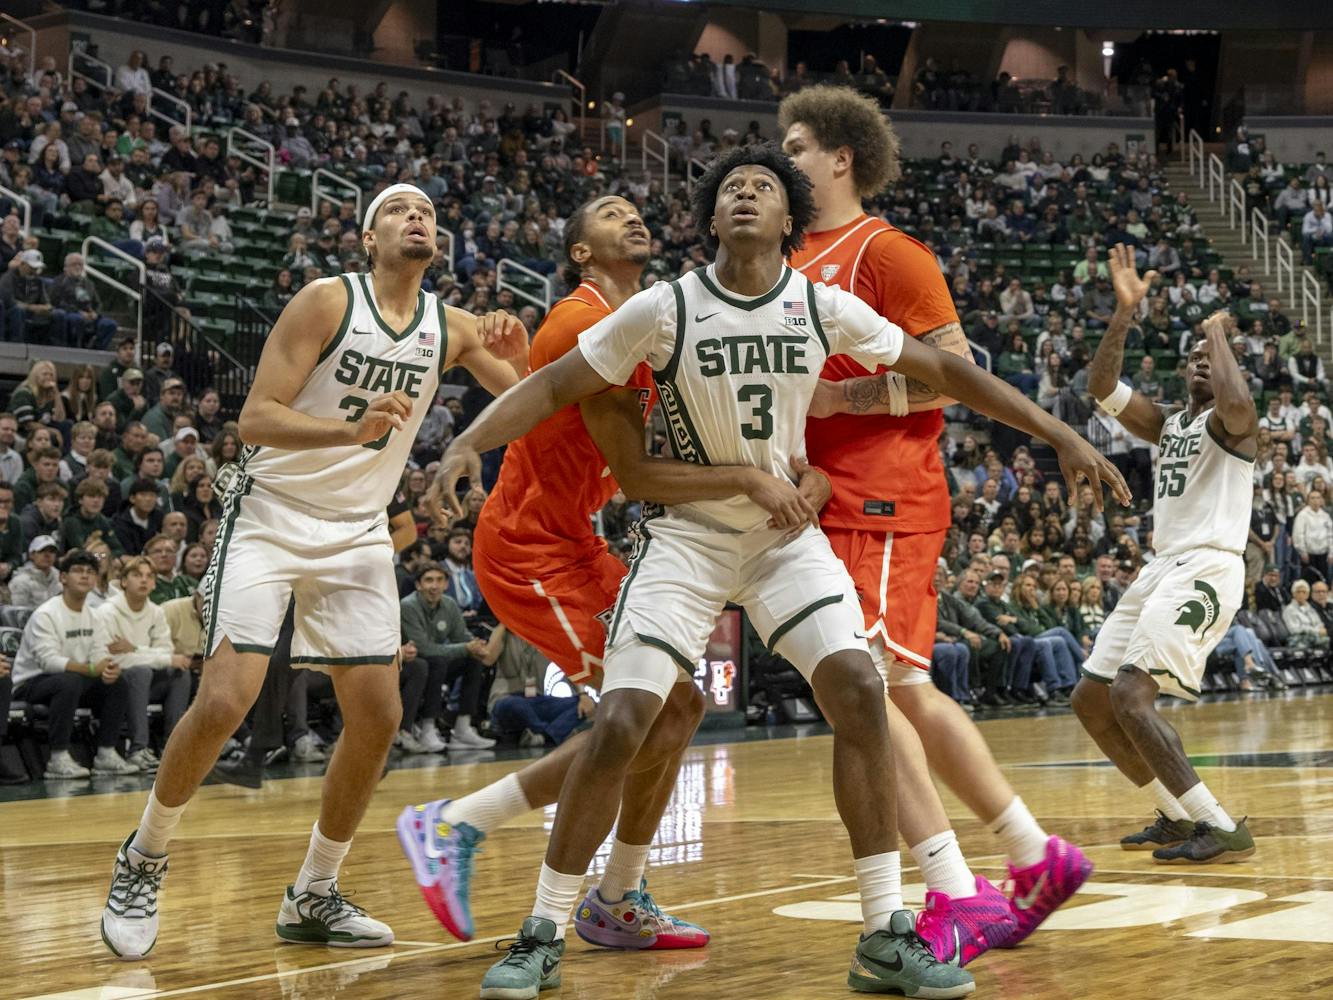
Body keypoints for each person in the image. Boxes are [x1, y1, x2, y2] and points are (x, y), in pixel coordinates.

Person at [434, 144, 1122, 1000]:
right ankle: (540, 932)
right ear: (711, 218)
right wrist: (464, 443)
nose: (747, 193)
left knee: (860, 691)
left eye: (763, 186)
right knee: (621, 723)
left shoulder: (821, 305)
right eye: (731, 188)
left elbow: (945, 369)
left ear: (789, 217)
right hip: (686, 536)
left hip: (782, 538)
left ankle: (884, 931)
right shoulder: (662, 307)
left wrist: (1056, 431)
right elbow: (549, 387)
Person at [99, 183, 529, 961]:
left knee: (380, 716)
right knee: (225, 699)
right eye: (398, 209)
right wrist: (348, 430)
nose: (417, 216)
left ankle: (314, 891)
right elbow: (255, 417)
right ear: (367, 238)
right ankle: (144, 855)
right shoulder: (327, 300)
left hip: (357, 531)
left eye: (427, 211)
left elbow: (532, 401)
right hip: (269, 514)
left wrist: (521, 350)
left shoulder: (454, 327)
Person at [402, 192, 816, 953]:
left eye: (634, 209)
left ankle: (619, 896)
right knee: (641, 713)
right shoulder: (583, 318)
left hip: (575, 539)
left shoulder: (641, 320)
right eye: (608, 211)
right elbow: (629, 461)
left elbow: (548, 405)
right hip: (529, 548)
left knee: (680, 705)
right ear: (580, 252)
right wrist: (747, 475)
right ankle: (458, 823)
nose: (630, 216)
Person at [780, 84, 1100, 962]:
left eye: (797, 146)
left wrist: (845, 396)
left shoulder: (886, 251)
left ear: (841, 157)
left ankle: (954, 885)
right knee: (900, 691)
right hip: (825, 500)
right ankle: (1031, 855)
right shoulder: (788, 259)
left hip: (881, 496)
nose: (785, 158)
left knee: (866, 691)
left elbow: (951, 374)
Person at [1072, 246, 1258, 865]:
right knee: (1092, 700)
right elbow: (1101, 388)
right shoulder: (1170, 423)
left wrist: (1215, 333)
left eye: (1212, 359)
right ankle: (1177, 815)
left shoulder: (1236, 426)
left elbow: (1237, 405)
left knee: (1131, 695)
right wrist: (1124, 313)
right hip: (1161, 566)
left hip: (1206, 566)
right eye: (1194, 358)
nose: (1202, 362)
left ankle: (1220, 826)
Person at [9, 549, 136, 778]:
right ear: (63, 577)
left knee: (118, 683)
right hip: (30, 684)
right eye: (78, 571)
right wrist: (91, 669)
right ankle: (57, 758)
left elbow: (99, 652)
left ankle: (106, 754)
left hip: (72, 680)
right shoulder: (47, 614)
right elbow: (48, 662)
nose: (85, 576)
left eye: (90, 572)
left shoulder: (94, 615)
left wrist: (108, 668)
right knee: (69, 681)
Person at [95, 555, 192, 773]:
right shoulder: (107, 612)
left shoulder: (156, 612)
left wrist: (135, 649)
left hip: (145, 680)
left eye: (149, 576)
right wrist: (154, 656)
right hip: (114, 683)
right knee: (141, 672)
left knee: (179, 672)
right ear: (123, 581)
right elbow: (114, 659)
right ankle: (138, 749)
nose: (144, 580)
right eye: (137, 575)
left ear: (155, 583)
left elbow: (166, 652)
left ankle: (172, 747)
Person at [397, 561, 496, 752]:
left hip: (435, 661)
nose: (434, 586)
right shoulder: (408, 606)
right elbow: (423, 648)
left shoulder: (449, 604)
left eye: (439, 580)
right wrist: (466, 647)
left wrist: (476, 646)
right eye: (428, 580)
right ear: (418, 585)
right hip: (411, 662)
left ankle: (463, 727)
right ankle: (428, 728)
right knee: (436, 662)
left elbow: (462, 636)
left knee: (472, 660)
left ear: (446, 584)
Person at [10, 535, 63, 608]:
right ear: (32, 555)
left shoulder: (61, 579)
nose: (47, 555)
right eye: (42, 551)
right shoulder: (20, 582)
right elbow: (18, 613)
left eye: (52, 551)